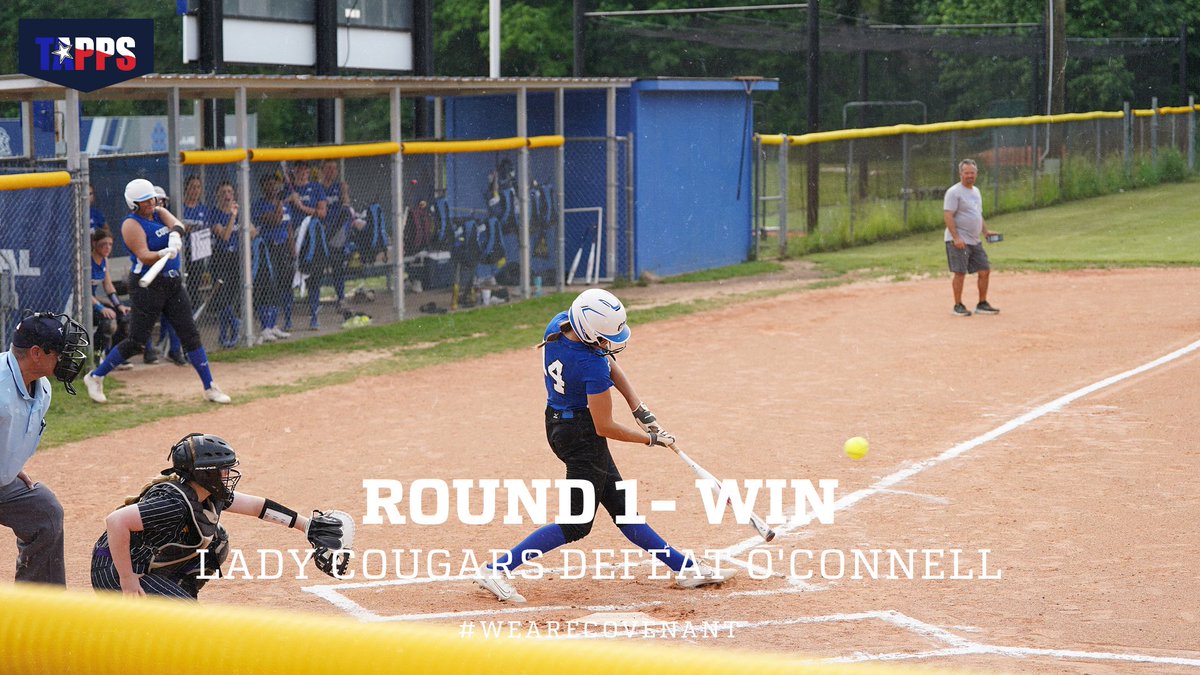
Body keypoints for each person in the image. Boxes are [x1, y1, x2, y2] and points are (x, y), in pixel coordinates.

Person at [474, 288, 735, 603]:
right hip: (581, 437)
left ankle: (684, 568)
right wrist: (651, 439)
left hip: (559, 424)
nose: (608, 344)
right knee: (576, 524)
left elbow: (607, 363)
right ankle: (496, 568)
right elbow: (605, 425)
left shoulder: (558, 326)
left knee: (622, 508)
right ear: (589, 333)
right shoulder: (589, 365)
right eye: (603, 338)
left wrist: (639, 410)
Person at [91, 433, 349, 598]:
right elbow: (116, 522)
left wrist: (305, 526)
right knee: (187, 626)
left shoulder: (207, 494)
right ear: (205, 473)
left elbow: (257, 507)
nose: (229, 475)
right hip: (115, 569)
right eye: (224, 470)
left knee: (216, 541)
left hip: (141, 564)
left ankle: (176, 593)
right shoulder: (174, 502)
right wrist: (127, 580)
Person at [82, 178, 232, 405]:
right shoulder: (131, 224)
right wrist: (164, 253)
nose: (151, 202)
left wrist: (174, 237)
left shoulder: (159, 212)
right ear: (134, 204)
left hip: (172, 283)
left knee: (190, 335)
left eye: (152, 198)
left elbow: (178, 226)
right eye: (145, 201)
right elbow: (143, 254)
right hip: (147, 285)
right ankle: (95, 376)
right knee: (136, 341)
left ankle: (210, 386)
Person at [1, 312, 89, 585]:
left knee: (44, 510)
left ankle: (38, 610)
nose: (64, 359)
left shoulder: (44, 389)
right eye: (59, 353)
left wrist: (10, 467)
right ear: (37, 353)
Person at [943, 159, 999, 317]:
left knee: (984, 270)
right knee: (960, 272)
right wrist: (956, 238)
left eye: (972, 173)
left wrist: (986, 232)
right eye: (966, 173)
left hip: (974, 240)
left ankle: (982, 303)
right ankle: (958, 305)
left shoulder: (976, 191)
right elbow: (948, 215)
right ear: (960, 174)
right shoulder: (954, 192)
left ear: (976, 174)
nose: (969, 176)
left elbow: (977, 214)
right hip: (959, 240)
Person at [208, 180, 254, 349]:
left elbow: (253, 232)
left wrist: (244, 224)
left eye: (230, 192)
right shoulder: (215, 213)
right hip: (220, 257)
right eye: (224, 192)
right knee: (222, 297)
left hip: (236, 257)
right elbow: (225, 235)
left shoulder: (240, 212)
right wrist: (234, 217)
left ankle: (225, 335)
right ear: (217, 196)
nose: (227, 196)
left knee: (231, 296)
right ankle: (234, 326)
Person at [286, 161, 329, 330]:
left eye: (305, 170)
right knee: (288, 280)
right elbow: (281, 211)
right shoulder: (288, 190)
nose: (302, 173)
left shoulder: (316, 188)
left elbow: (322, 213)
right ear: (294, 172)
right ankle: (288, 319)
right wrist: (288, 199)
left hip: (311, 240)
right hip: (292, 239)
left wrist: (301, 207)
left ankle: (314, 316)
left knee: (313, 279)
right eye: (299, 170)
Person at [251, 172, 292, 342]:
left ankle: (273, 325)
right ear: (263, 187)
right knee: (268, 286)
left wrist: (292, 247)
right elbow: (276, 220)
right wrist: (282, 203)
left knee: (281, 286)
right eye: (269, 185)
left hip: (282, 247)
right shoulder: (259, 205)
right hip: (267, 249)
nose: (273, 188)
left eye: (275, 185)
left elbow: (288, 226)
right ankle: (265, 326)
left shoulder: (283, 205)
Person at [89, 229, 131, 369]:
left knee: (124, 317)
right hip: (83, 305)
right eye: (103, 244)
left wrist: (118, 305)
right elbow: (84, 292)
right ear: (94, 243)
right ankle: (95, 357)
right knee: (106, 321)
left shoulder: (104, 260)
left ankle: (114, 357)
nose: (107, 247)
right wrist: (101, 307)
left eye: (110, 244)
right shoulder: (87, 261)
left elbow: (108, 285)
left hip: (95, 301)